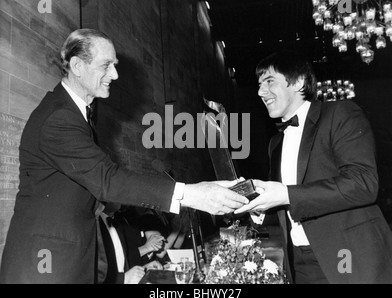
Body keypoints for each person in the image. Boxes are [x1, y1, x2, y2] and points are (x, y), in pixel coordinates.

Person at [0, 28, 248, 284]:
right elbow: (108, 180)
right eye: (106, 65)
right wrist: (192, 194)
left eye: (115, 65)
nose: (115, 74)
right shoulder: (59, 117)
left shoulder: (75, 114)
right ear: (77, 66)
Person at [236, 50, 392, 284]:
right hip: (300, 262)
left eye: (269, 81)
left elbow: (363, 183)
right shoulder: (275, 142)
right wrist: (257, 205)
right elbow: (288, 202)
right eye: (259, 85)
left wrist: (285, 194)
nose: (260, 92)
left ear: (299, 82)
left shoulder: (340, 114)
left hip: (348, 255)